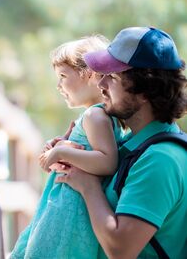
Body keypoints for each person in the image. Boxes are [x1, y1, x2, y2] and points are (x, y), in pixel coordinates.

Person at [55, 26, 187, 258]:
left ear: (145, 90)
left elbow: (121, 249)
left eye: (112, 77)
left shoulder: (159, 159)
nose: (101, 84)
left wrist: (88, 185)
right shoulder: (133, 145)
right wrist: (72, 150)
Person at [10, 35, 125, 258]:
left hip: (71, 209)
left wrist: (62, 152)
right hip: (71, 201)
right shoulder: (96, 116)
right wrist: (62, 149)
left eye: (63, 76)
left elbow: (107, 162)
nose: (59, 85)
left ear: (89, 74)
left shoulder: (95, 115)